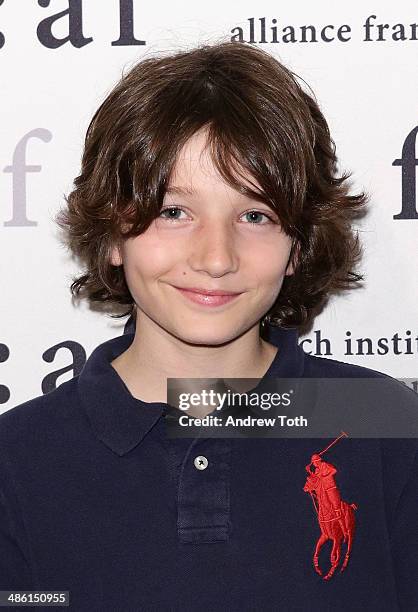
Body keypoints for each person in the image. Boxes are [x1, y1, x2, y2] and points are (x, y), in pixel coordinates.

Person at [0, 39, 417, 611]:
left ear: (299, 246)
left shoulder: (387, 425)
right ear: (114, 232)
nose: (216, 258)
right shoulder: (16, 459)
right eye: (174, 212)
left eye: (255, 215)